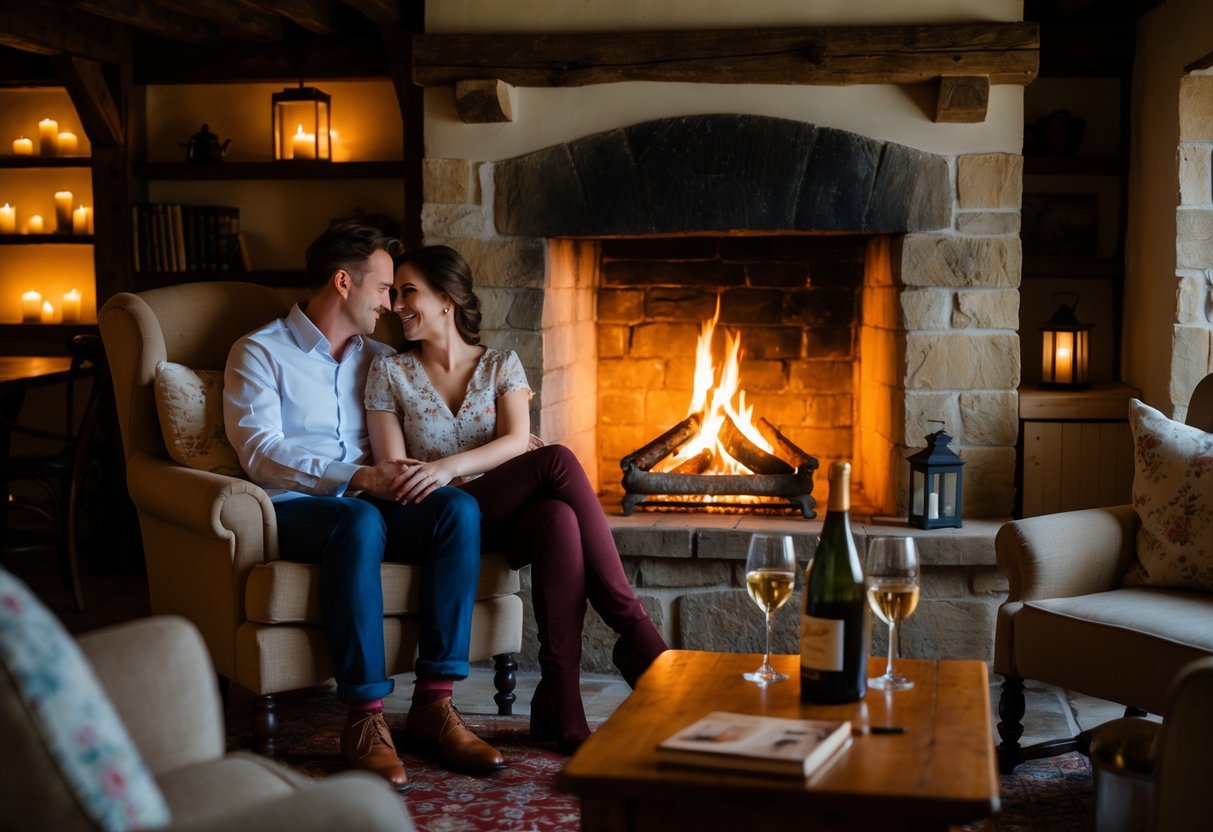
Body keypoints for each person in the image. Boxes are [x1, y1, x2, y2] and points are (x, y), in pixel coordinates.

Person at [223, 224, 506, 790]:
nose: (390, 303)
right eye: (383, 289)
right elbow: (260, 452)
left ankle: (434, 704)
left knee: (455, 510)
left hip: (375, 503)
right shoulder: (259, 352)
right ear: (344, 281)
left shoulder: (380, 359)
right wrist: (357, 477)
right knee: (356, 519)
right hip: (298, 509)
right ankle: (365, 718)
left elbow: (428, 430)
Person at [364, 244, 668, 753]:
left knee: (556, 517)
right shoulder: (389, 372)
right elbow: (401, 476)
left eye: (408, 292)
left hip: (498, 518)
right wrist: (476, 464)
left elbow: (514, 439)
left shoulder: (501, 365)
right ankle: (632, 634)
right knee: (556, 463)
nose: (395, 305)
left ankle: (560, 695)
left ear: (447, 298)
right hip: (434, 522)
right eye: (393, 294)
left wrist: (447, 467)